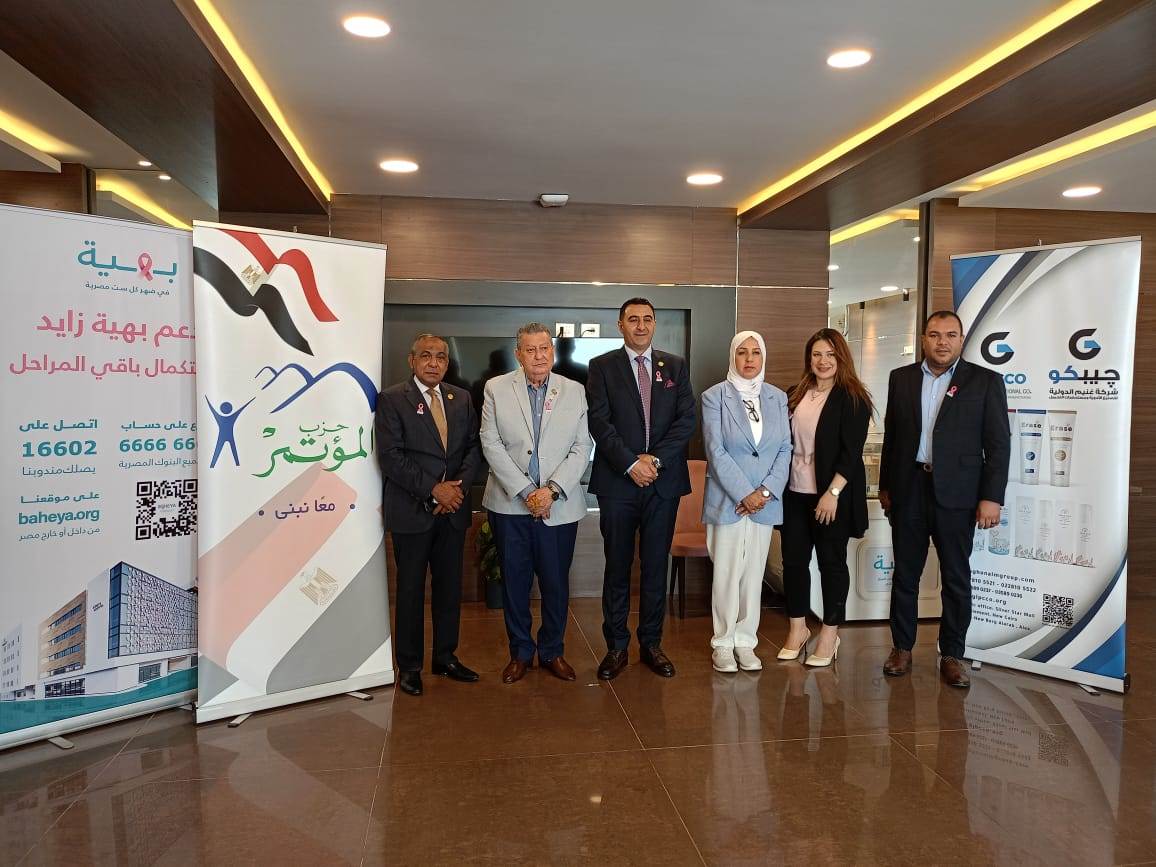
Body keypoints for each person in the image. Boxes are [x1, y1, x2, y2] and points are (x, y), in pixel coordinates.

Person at [878, 310, 1010, 688]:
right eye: (935, 335)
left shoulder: (985, 381)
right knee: (906, 575)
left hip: (958, 494)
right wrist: (886, 486)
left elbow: (998, 445)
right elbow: (892, 436)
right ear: (923, 339)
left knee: (955, 576)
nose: (942, 342)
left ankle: (952, 654)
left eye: (951, 335)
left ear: (961, 340)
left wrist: (991, 497)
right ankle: (902, 648)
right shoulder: (901, 378)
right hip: (909, 489)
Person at [587, 297, 696, 680]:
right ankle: (616, 646)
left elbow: (686, 420)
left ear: (654, 324)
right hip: (618, 484)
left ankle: (651, 643)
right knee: (617, 566)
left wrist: (655, 461)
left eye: (647, 319)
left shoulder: (675, 366)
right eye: (633, 319)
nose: (640, 325)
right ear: (620, 325)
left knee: (655, 566)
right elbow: (599, 423)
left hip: (662, 485)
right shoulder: (602, 367)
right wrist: (632, 463)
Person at [479, 323, 592, 684]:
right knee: (515, 583)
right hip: (510, 505)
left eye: (545, 348)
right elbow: (490, 443)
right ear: (518, 354)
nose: (539, 356)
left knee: (556, 583)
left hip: (559, 505)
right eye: (531, 350)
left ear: (552, 352)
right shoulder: (496, 388)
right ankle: (521, 653)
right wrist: (528, 491)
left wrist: (551, 491)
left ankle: (552, 651)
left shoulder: (574, 390)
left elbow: (582, 447)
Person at [376, 334, 483, 697]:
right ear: (412, 361)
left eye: (440, 357)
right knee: (410, 591)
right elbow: (391, 456)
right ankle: (409, 666)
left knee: (449, 588)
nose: (434, 363)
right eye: (426, 356)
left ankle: (445, 657)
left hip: (452, 511)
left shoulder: (461, 397)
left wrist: (456, 491)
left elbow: (473, 448)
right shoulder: (392, 399)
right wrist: (434, 490)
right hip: (412, 511)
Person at [779, 328, 873, 668]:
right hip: (794, 493)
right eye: (817, 354)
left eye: (830, 354)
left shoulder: (853, 398)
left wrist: (832, 493)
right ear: (809, 358)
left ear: (841, 358)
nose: (823, 361)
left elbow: (851, 453)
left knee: (831, 564)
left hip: (831, 497)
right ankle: (797, 629)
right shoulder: (795, 394)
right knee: (793, 563)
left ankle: (830, 633)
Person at [700, 331, 792, 673]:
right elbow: (715, 450)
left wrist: (764, 492)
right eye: (742, 352)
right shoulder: (714, 396)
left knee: (754, 576)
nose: (750, 359)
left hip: (764, 503)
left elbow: (785, 448)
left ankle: (745, 641)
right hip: (729, 501)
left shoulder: (777, 397)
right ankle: (723, 643)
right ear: (732, 357)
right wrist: (745, 494)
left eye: (756, 352)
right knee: (726, 574)